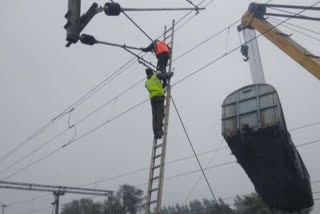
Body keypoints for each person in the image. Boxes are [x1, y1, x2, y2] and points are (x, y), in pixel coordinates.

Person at [145, 68, 173, 139]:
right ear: (151, 72)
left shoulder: (146, 83)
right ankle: (159, 131)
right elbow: (164, 76)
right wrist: (170, 74)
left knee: (155, 116)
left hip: (152, 99)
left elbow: (155, 87)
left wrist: (162, 87)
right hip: (159, 97)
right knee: (160, 114)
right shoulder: (156, 76)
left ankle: (155, 132)